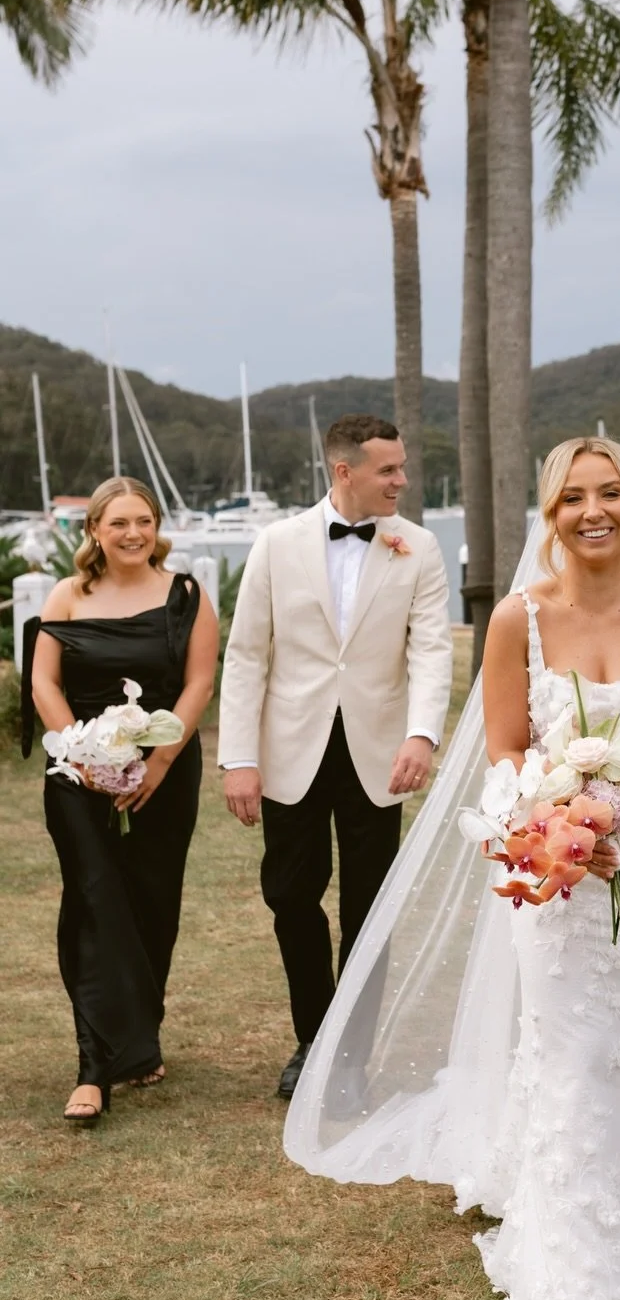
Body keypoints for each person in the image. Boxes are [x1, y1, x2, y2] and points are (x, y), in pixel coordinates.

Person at [284, 437, 620, 1300]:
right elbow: (506, 749)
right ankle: (577, 1286)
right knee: (573, 1057)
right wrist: (553, 823)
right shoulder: (518, 619)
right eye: (572, 498)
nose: (593, 511)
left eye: (609, 494)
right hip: (558, 873)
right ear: (550, 514)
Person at [218, 414, 452, 1099]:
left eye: (402, 467)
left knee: (368, 906)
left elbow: (432, 649)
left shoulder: (421, 546)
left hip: (380, 751)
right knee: (292, 894)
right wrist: (238, 755)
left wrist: (421, 734)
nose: (402, 480)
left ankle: (349, 1055)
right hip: (290, 746)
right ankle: (311, 1037)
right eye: (388, 469)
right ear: (344, 471)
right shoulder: (275, 542)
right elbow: (247, 654)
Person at [22, 477, 218, 1125]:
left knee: (153, 902)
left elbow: (198, 681)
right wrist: (79, 752)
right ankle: (93, 1067)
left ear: (157, 526)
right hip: (77, 774)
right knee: (95, 898)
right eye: (118, 522)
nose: (133, 532)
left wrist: (156, 763)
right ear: (95, 531)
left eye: (144, 520)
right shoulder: (68, 595)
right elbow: (43, 679)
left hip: (163, 768)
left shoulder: (186, 595)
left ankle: (140, 1037)